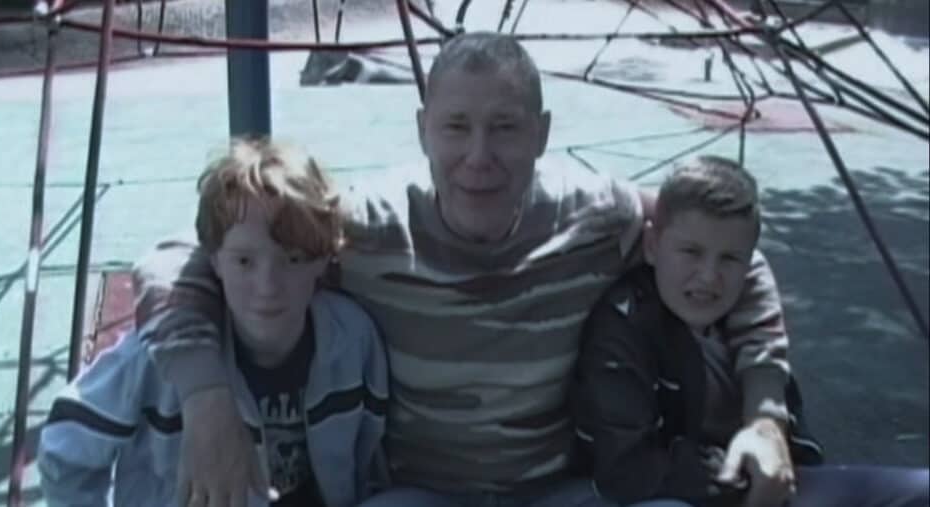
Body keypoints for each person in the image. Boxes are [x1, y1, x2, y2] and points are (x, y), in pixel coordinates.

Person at [133, 32, 794, 507]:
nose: (479, 156)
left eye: (504, 127)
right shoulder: (367, 228)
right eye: (456, 127)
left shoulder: (596, 215)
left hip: (559, 486)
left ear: (541, 132)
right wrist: (206, 399)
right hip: (418, 490)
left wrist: (766, 416)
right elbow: (178, 259)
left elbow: (733, 251)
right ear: (424, 129)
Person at [37, 137, 389, 507]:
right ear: (213, 260)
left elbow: (372, 458)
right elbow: (65, 449)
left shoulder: (353, 340)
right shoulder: (155, 360)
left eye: (293, 259)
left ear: (323, 261)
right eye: (244, 262)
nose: (267, 286)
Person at [574, 155, 930, 507]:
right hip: (688, 490)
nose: (709, 276)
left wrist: (773, 459)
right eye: (691, 252)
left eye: (729, 258)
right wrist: (744, 476)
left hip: (769, 484)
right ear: (652, 246)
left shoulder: (748, 310)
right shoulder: (623, 328)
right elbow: (627, 470)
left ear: (750, 260)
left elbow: (779, 412)